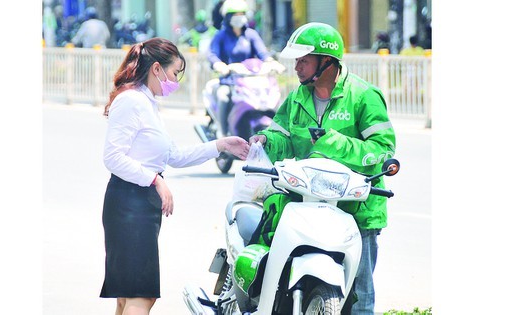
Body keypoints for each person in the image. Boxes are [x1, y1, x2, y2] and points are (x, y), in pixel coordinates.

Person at [248, 22, 396, 314]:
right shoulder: (297, 97)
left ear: (326, 61)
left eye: (303, 60)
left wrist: (333, 144)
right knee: (283, 277)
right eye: (296, 61)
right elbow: (283, 137)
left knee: (360, 296)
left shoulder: (364, 96)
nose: (297, 67)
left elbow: (383, 150)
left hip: (357, 209)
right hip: (306, 202)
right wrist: (266, 140)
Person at [100, 37, 250, 314]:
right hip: (129, 204)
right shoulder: (132, 101)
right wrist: (156, 180)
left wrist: (221, 145)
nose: (175, 80)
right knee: (140, 295)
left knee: (129, 295)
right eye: (174, 73)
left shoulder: (148, 104)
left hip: (139, 204)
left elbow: (174, 156)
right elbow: (112, 157)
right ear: (156, 69)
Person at [207, 0, 285, 137]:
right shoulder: (220, 36)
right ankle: (223, 134)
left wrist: (272, 63)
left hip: (250, 81)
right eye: (235, 14)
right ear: (227, 16)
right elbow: (212, 55)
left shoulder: (251, 34)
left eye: (242, 14)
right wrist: (220, 65)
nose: (239, 17)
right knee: (223, 96)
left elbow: (263, 54)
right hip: (229, 81)